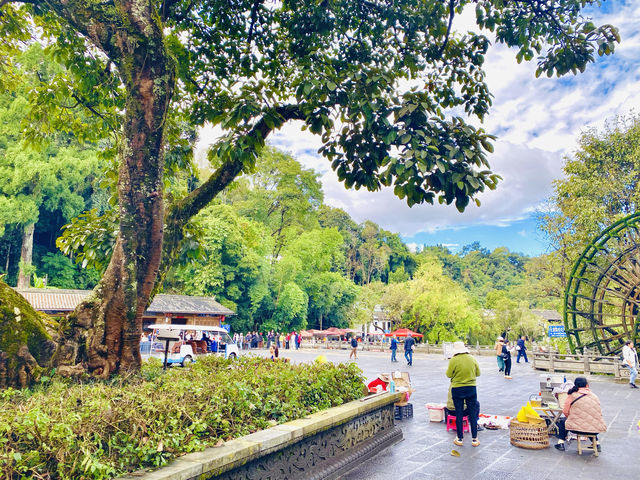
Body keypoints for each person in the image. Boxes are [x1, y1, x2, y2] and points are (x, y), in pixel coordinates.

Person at [554, 377, 606, 452]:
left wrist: (571, 418)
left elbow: (565, 411)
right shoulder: (594, 396)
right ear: (587, 385)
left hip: (577, 429)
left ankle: (561, 443)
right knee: (590, 423)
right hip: (595, 429)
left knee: (563, 422)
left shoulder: (572, 395)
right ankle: (597, 444)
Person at [446, 341, 481, 447]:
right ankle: (475, 439)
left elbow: (448, 374)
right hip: (471, 388)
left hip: (457, 389)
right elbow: (478, 373)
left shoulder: (453, 360)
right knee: (473, 413)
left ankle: (460, 438)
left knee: (459, 413)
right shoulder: (472, 358)